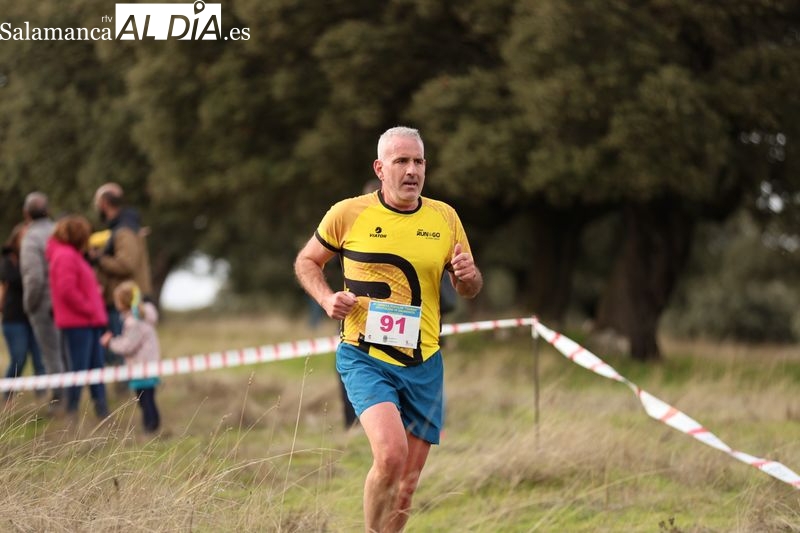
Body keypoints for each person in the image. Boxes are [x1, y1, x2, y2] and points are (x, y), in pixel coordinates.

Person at [294, 126, 483, 532]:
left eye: (418, 162)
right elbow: (307, 261)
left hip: (424, 361)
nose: (412, 170)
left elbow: (467, 287)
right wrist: (327, 299)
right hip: (366, 356)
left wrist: (468, 277)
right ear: (380, 169)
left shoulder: (445, 217)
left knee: (406, 486)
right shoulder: (347, 213)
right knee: (391, 456)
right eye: (401, 161)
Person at [47, 215, 109, 419]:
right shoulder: (65, 256)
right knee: (79, 369)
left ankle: (102, 410)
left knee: (95, 368)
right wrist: (89, 306)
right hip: (79, 322)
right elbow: (67, 289)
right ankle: (72, 412)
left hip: (89, 321)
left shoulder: (72, 255)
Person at [91, 182, 153, 368]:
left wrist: (98, 259)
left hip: (125, 300)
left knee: (125, 352)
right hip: (125, 298)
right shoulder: (126, 227)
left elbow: (127, 264)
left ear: (104, 203)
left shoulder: (124, 230)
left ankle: (127, 384)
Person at [20, 192, 68, 410]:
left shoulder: (31, 238)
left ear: (26, 213)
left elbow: (34, 277)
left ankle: (59, 401)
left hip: (44, 303)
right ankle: (72, 398)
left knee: (51, 355)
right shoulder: (59, 231)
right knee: (65, 352)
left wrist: (29, 305)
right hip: (65, 300)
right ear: (47, 210)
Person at [100, 281, 161, 434]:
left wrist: (110, 343)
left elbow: (128, 346)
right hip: (149, 364)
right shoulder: (143, 315)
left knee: (144, 400)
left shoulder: (133, 321)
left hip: (140, 366)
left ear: (123, 302)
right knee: (148, 397)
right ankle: (153, 425)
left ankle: (150, 428)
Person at [1, 223, 46, 400]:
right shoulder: (8, 259)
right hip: (14, 318)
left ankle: (44, 396)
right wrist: (33, 273)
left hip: (34, 315)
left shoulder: (37, 257)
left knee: (39, 359)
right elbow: (13, 279)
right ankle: (8, 393)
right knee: (19, 358)